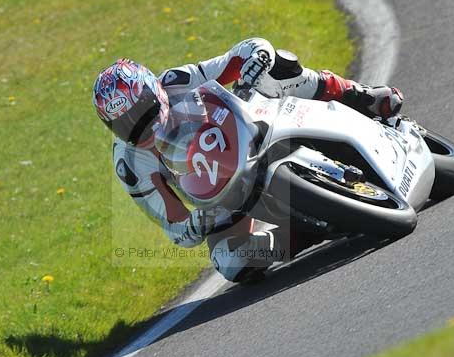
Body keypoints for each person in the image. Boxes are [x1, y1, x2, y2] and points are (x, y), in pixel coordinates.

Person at [93, 38, 404, 283]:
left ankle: (361, 96)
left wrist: (258, 58)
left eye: (144, 112)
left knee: (278, 69)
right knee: (232, 262)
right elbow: (173, 223)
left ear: (155, 92)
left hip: (249, 128)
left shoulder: (176, 81)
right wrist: (194, 225)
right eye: (125, 126)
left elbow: (239, 55)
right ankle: (307, 231)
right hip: (223, 194)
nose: (141, 128)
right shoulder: (130, 163)